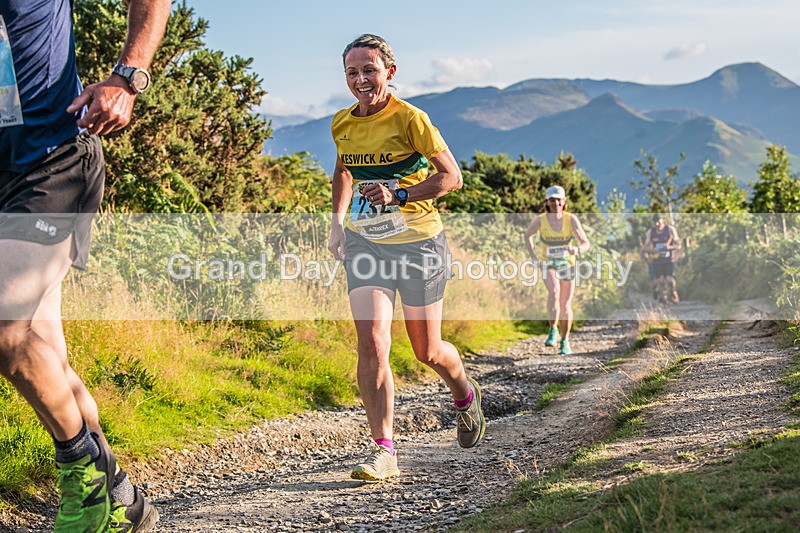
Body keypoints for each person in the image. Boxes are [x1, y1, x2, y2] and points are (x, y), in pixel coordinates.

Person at [0, 1, 170, 531]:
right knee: (43, 352)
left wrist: (128, 75)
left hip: (50, 158)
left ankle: (85, 480)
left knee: (5, 329)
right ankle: (123, 498)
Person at [327, 34, 486, 482]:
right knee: (374, 340)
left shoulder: (411, 118)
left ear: (389, 72)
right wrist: (337, 224)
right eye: (352, 72)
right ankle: (384, 450)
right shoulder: (341, 122)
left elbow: (451, 177)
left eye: (369, 69)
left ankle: (464, 393)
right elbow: (343, 169)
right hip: (367, 242)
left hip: (419, 244)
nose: (361, 79)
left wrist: (398, 193)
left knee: (427, 351)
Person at [524, 185, 590, 355]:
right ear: (547, 202)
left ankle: (565, 340)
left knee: (565, 303)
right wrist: (533, 256)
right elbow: (528, 235)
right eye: (552, 200)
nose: (556, 203)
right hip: (548, 262)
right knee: (554, 291)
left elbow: (585, 242)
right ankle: (553, 329)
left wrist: (578, 249)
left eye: (559, 199)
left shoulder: (571, 219)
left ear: (564, 201)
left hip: (567, 263)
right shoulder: (540, 220)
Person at [642, 213, 681, 304]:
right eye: (655, 222)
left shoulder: (670, 230)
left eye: (658, 222)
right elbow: (644, 248)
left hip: (669, 259)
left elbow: (678, 245)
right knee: (661, 281)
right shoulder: (650, 232)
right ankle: (664, 300)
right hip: (657, 260)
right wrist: (653, 250)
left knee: (669, 280)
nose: (657, 224)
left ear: (662, 221)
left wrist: (669, 248)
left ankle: (673, 291)